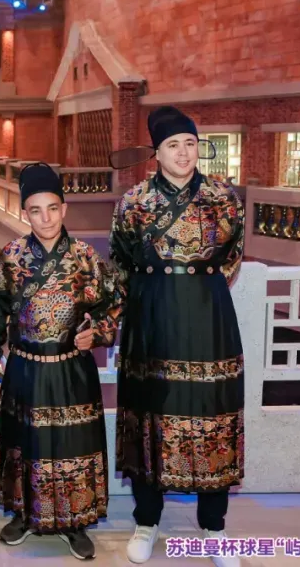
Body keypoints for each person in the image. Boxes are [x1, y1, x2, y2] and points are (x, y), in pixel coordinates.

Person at [111, 107, 245, 567]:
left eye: (190, 143)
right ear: (157, 153)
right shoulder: (133, 202)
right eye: (173, 145)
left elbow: (232, 258)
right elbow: (121, 264)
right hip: (151, 321)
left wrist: (197, 290)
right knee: (150, 413)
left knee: (213, 414)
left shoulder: (224, 198)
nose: (184, 153)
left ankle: (214, 527)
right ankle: (146, 521)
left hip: (210, 319)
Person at [0, 163, 123, 561]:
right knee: (24, 443)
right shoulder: (11, 258)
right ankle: (24, 514)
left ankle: (74, 520)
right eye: (36, 210)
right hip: (25, 369)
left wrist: (97, 332)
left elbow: (112, 305)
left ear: (64, 209)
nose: (45, 218)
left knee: (71, 446)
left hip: (71, 369)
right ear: (25, 213)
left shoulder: (86, 259)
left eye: (52, 208)